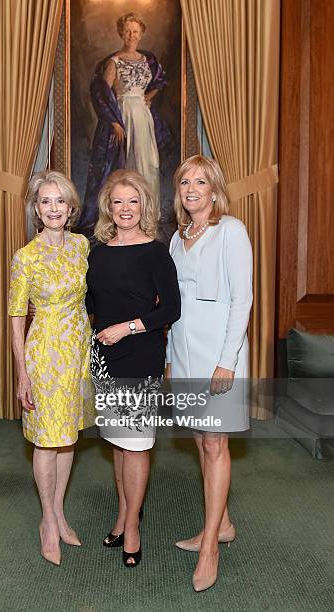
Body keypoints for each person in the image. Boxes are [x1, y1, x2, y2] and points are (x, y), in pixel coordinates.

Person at [166, 155, 253, 591]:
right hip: (183, 352)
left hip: (219, 354)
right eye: (185, 181)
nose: (192, 188)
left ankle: (210, 548)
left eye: (200, 181)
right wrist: (167, 354)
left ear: (215, 189)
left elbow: (242, 300)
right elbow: (171, 304)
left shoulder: (231, 230)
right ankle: (221, 524)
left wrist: (227, 360)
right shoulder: (178, 238)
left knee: (215, 442)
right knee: (201, 440)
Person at [86, 169, 180, 567]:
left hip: (140, 354)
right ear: (109, 206)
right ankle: (124, 514)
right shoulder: (98, 249)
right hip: (104, 357)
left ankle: (134, 527)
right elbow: (89, 300)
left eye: (134, 201)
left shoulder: (156, 251)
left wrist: (127, 328)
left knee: (136, 443)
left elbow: (171, 308)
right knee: (117, 442)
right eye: (118, 201)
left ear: (144, 206)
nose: (125, 209)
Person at [8, 171, 94, 566]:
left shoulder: (81, 246)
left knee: (68, 435)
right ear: (36, 210)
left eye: (60, 201)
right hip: (44, 354)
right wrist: (22, 374)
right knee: (47, 438)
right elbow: (15, 319)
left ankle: (59, 512)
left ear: (71, 207)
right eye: (45, 201)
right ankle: (46, 520)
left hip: (78, 352)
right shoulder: (24, 257)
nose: (54, 208)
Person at [77, 12, 172, 235]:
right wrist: (114, 122)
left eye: (135, 31)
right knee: (126, 164)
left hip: (143, 117)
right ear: (121, 33)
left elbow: (160, 80)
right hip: (123, 115)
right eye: (128, 31)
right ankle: (122, 219)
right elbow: (100, 94)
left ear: (141, 34)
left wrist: (148, 97)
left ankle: (147, 216)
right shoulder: (114, 61)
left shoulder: (148, 60)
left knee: (147, 163)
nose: (132, 35)